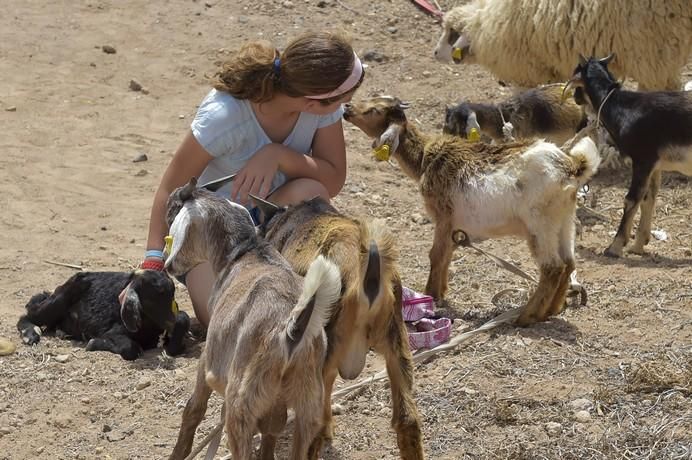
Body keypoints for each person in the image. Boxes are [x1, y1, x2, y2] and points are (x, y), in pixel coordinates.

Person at [122, 31, 434, 330]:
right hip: (215, 235)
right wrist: (152, 261)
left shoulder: (318, 108)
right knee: (228, 322)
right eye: (341, 101)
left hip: (269, 220)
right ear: (314, 102)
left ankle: (335, 291)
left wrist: (279, 155)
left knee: (310, 191)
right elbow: (169, 190)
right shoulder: (224, 116)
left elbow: (333, 178)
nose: (344, 107)